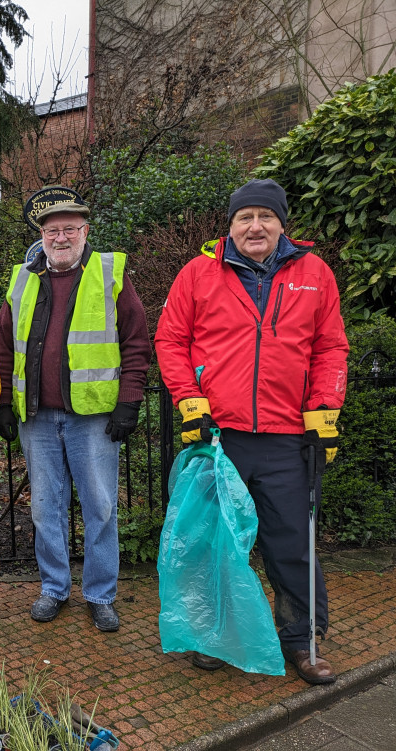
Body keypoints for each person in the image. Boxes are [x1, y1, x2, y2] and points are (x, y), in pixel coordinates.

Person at [154, 178, 348, 684]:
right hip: (221, 436)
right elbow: (170, 340)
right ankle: (215, 637)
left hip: (288, 438)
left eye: (265, 217)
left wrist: (324, 410)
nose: (255, 227)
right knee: (218, 542)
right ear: (231, 224)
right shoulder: (198, 273)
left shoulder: (315, 274)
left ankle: (302, 641)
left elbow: (330, 347)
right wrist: (190, 401)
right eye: (245, 217)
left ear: (282, 224)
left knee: (291, 543)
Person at [0, 195, 150, 632]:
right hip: (37, 417)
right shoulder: (21, 280)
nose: (59, 238)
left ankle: (100, 595)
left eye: (69, 229)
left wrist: (129, 401)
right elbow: (5, 348)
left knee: (100, 507)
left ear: (85, 232)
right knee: (46, 508)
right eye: (51, 231)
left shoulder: (109, 273)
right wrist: (5, 403)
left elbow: (136, 343)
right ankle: (54, 588)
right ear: (41, 236)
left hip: (94, 417)